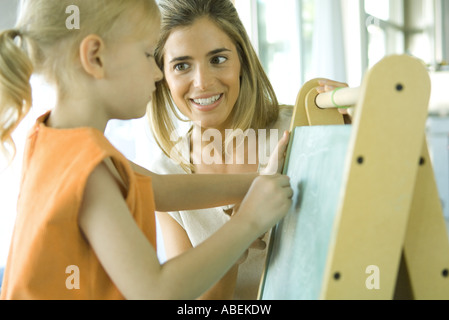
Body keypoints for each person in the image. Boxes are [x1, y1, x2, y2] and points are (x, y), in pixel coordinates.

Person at [0, 0, 293, 300]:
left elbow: (162, 189)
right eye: (146, 54)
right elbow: (156, 291)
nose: (158, 74)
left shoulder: (56, 142)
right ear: (95, 58)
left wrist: (263, 181)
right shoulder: (88, 171)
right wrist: (249, 221)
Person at [149, 0, 348, 299]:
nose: (202, 82)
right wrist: (241, 233)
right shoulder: (166, 174)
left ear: (242, 61)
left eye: (218, 59)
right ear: (162, 76)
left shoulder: (302, 130)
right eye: (181, 65)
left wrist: (360, 131)